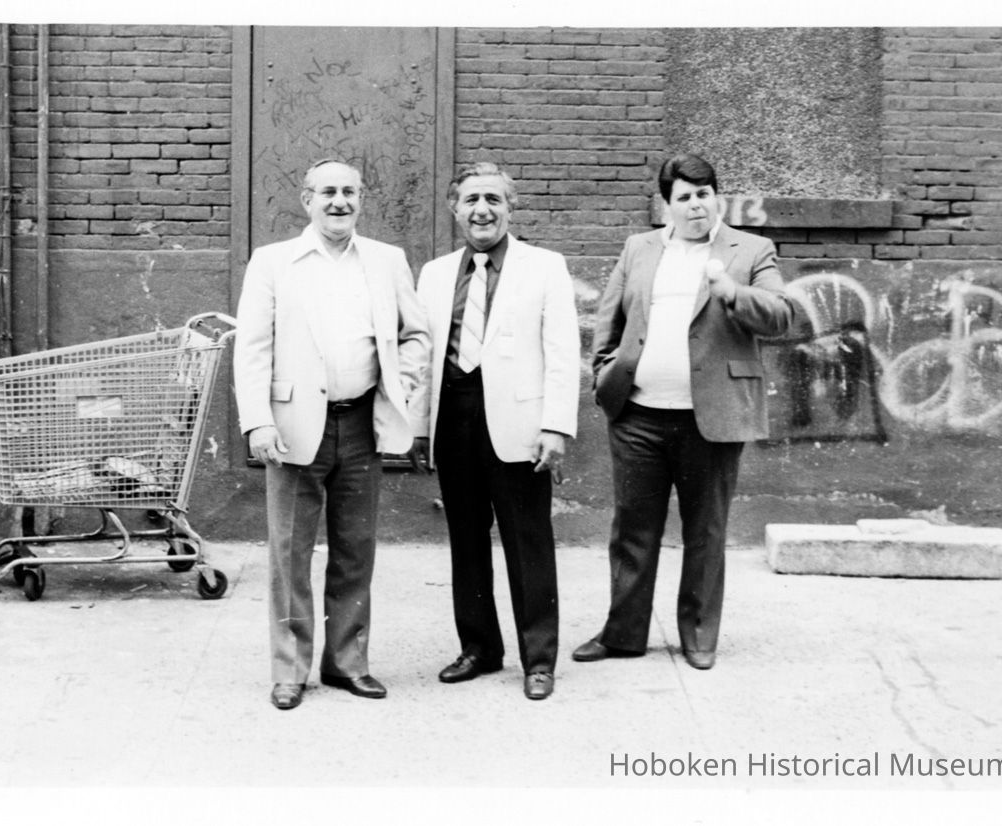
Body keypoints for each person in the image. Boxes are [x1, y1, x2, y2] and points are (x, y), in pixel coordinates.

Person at [573, 152, 795, 671]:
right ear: (666, 205)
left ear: (717, 195)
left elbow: (782, 315)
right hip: (638, 416)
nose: (696, 205)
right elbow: (611, 318)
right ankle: (624, 634)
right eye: (684, 197)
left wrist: (732, 292)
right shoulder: (639, 248)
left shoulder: (751, 250)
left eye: (704, 193)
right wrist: (605, 375)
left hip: (711, 419)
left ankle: (698, 635)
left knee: (706, 531)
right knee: (632, 530)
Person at [233, 159, 430, 710]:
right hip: (296, 428)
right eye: (328, 192)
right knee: (289, 553)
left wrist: (401, 381)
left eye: (349, 192)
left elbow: (416, 334)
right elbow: (252, 348)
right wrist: (258, 421)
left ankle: (347, 663)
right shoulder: (274, 263)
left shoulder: (386, 261)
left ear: (361, 199)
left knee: (355, 550)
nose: (339, 201)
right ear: (306, 200)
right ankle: (289, 670)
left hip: (363, 423)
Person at [416, 162, 580, 701]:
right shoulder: (436, 273)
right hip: (455, 420)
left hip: (520, 426)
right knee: (466, 541)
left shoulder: (544, 266)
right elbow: (423, 357)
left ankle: (539, 659)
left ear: (510, 208)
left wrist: (555, 426)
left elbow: (562, 352)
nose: (482, 210)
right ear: (454, 209)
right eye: (471, 200)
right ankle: (480, 648)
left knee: (527, 541)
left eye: (493, 199)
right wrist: (420, 427)